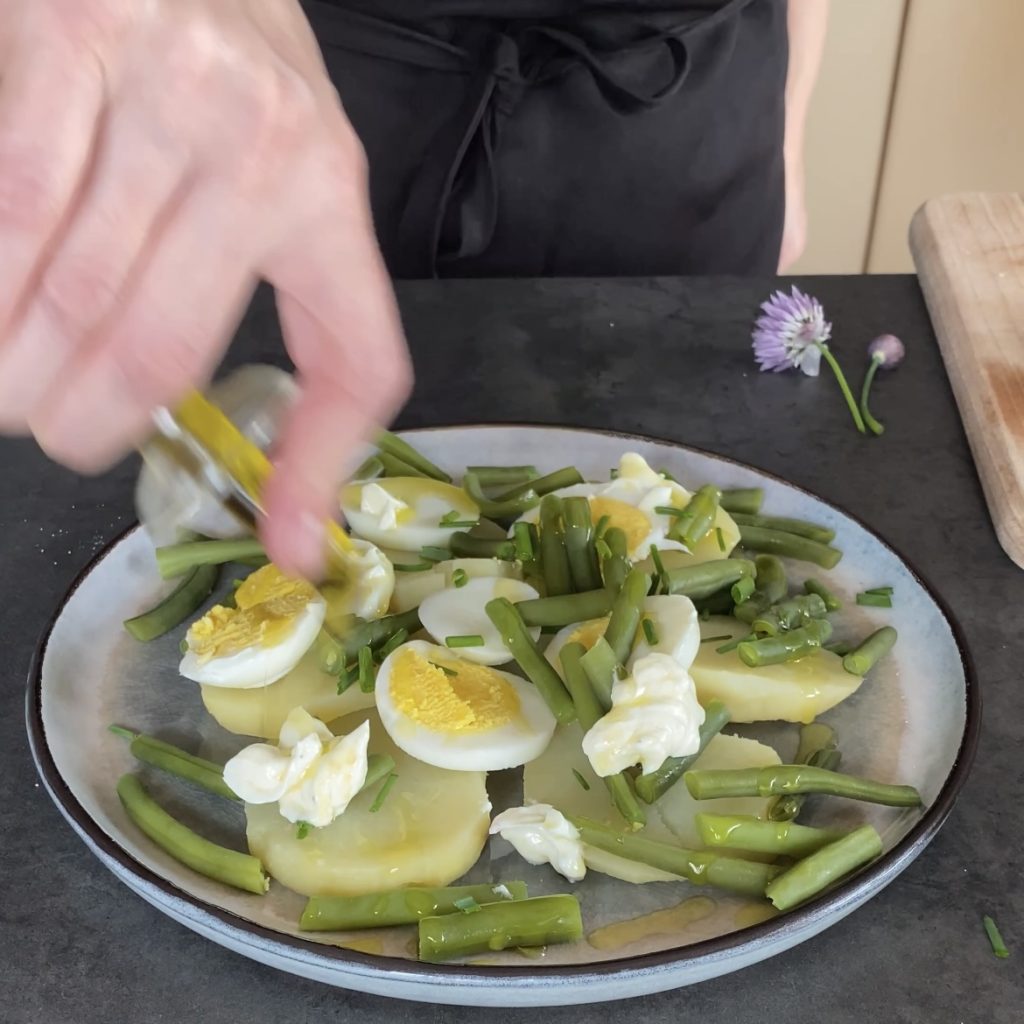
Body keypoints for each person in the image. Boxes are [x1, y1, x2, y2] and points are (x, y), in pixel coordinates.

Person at [0, 0, 826, 577]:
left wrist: (790, 116)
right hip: (283, 138)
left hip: (688, 121)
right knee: (271, 528)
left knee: (699, 545)